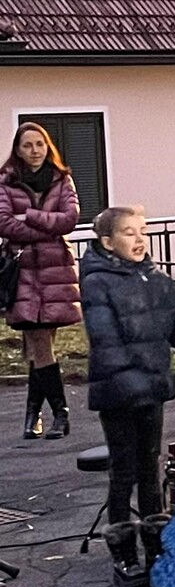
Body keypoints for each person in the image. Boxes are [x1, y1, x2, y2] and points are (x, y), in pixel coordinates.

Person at [80, 206, 175, 587]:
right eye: (128, 233)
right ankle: (124, 554)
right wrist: (143, 378)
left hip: (150, 391)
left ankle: (157, 549)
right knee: (124, 472)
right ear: (107, 242)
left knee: (151, 469)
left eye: (142, 231)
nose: (139, 239)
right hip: (119, 394)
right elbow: (106, 340)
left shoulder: (158, 281)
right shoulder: (97, 282)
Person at [0, 122, 81, 440]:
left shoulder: (62, 179)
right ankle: (61, 414)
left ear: (48, 147)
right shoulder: (6, 182)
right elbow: (4, 223)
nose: (34, 150)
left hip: (55, 272)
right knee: (39, 343)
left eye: (39, 144)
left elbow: (70, 219)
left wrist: (30, 217)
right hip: (22, 273)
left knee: (40, 347)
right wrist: (47, 228)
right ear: (17, 150)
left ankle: (33, 415)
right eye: (27, 145)